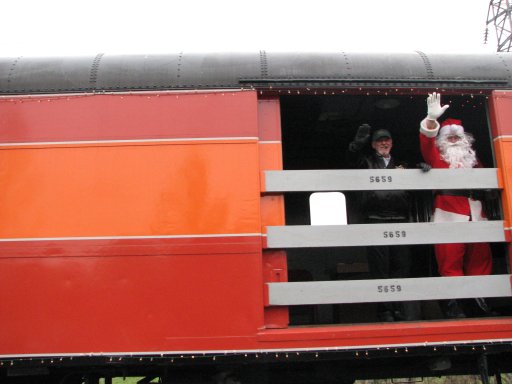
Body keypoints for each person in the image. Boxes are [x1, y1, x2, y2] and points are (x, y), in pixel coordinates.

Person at [419, 92, 494, 318]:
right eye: (449, 137)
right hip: (449, 212)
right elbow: (426, 141)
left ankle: (479, 304)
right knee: (450, 260)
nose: (453, 140)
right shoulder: (436, 157)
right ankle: (454, 306)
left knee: (480, 260)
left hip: (475, 211)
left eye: (456, 137)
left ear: (464, 139)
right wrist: (431, 120)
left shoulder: (473, 159)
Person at [347, 124, 422, 322]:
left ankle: (398, 308)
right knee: (380, 268)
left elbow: (418, 175)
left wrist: (423, 168)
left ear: (392, 143)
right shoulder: (366, 161)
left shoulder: (402, 163)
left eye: (386, 139)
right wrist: (357, 145)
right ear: (372, 145)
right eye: (379, 140)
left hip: (400, 219)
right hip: (375, 220)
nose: (383, 143)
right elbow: (351, 160)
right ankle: (384, 311)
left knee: (402, 266)